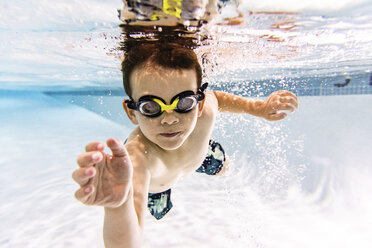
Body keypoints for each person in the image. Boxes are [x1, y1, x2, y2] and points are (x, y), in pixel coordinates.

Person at [72, 42, 299, 248]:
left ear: (198, 105)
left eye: (184, 102)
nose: (169, 119)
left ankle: (208, 154)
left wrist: (255, 108)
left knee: (226, 167)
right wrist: (118, 207)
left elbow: (216, 98)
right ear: (132, 113)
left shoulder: (206, 111)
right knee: (159, 213)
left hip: (199, 154)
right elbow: (127, 244)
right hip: (157, 186)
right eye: (151, 107)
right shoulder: (137, 159)